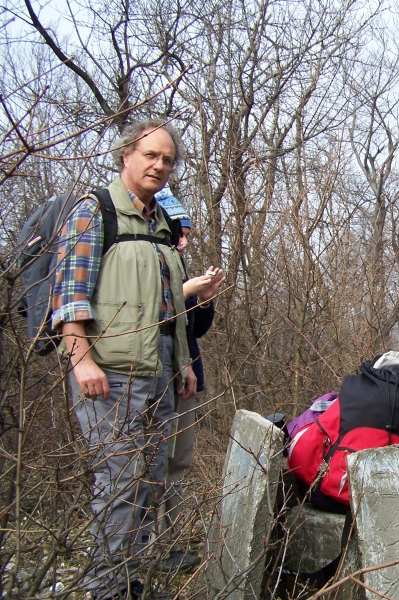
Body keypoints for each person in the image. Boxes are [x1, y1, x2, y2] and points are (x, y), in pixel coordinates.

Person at [52, 120, 195, 600]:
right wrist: (81, 360)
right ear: (126, 156)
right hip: (109, 375)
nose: (159, 165)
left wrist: (184, 367)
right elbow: (70, 294)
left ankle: (130, 579)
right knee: (119, 482)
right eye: (150, 155)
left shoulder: (162, 224)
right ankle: (105, 587)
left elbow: (170, 306)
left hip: (158, 374)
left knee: (150, 480)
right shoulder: (96, 211)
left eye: (167, 159)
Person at [155, 191, 225, 572]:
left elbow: (194, 330)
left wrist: (203, 299)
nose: (184, 240)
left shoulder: (179, 263)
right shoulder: (140, 261)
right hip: (151, 375)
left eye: (187, 232)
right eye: (179, 231)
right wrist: (182, 294)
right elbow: (144, 317)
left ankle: (169, 547)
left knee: (178, 462)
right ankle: (140, 550)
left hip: (186, 378)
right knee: (149, 464)